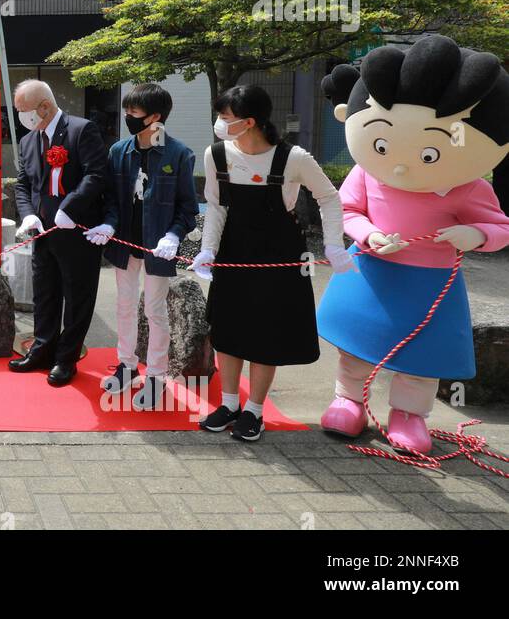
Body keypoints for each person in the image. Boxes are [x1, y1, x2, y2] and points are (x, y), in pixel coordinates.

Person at [317, 35, 509, 454]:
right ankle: (347, 399)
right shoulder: (367, 174)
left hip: (430, 280)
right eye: (383, 145)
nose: (400, 164)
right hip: (371, 270)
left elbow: (500, 227)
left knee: (419, 358)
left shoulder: (468, 186)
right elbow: (346, 212)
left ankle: (408, 414)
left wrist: (474, 234)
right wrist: (369, 234)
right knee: (355, 347)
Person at [192, 84, 354, 442]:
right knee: (228, 329)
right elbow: (217, 206)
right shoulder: (216, 154)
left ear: (249, 122)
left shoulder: (292, 158)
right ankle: (230, 403)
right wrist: (207, 250)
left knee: (266, 332)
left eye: (225, 117)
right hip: (233, 252)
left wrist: (333, 244)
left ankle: (255, 411)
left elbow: (329, 197)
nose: (219, 123)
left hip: (278, 254)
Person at [84, 83, 199, 409]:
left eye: (134, 112)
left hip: (157, 248)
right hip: (124, 244)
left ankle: (157, 376)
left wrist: (174, 235)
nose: (127, 117)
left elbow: (188, 208)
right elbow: (110, 199)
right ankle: (127, 365)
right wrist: (108, 223)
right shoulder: (119, 151)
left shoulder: (179, 154)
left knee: (154, 310)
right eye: (127, 111)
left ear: (155, 117)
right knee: (123, 304)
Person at [9, 79, 109, 387]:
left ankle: (66, 358)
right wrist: (27, 216)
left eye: (24, 111)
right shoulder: (29, 140)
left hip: (76, 230)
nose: (21, 118)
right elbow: (24, 184)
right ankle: (42, 349)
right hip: (43, 232)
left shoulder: (81, 130)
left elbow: (96, 174)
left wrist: (70, 207)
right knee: (45, 294)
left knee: (77, 297)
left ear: (45, 107)